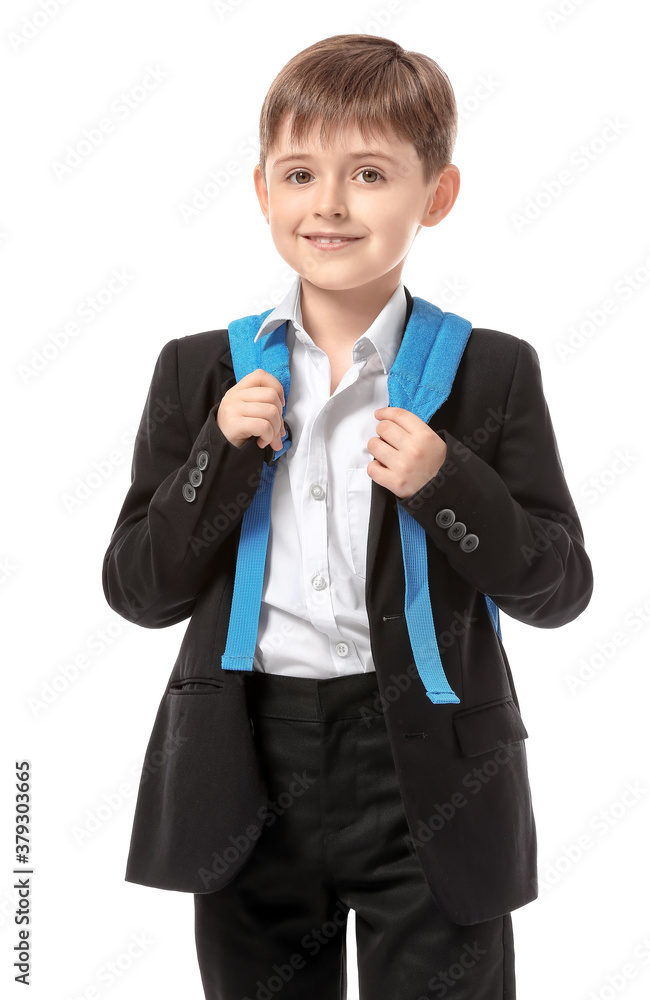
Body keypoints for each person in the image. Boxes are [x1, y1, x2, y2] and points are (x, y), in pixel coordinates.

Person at [102, 33, 594, 1000]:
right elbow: (139, 590)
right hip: (248, 756)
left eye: (369, 172)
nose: (328, 203)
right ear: (261, 191)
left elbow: (558, 586)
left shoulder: (491, 370)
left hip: (431, 763)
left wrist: (448, 478)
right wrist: (216, 451)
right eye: (300, 172)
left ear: (437, 195)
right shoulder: (201, 368)